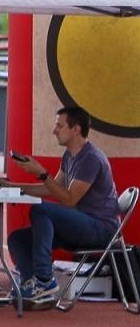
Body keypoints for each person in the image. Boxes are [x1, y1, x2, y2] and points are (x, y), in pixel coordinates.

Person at [7, 106, 123, 309]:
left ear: (75, 129)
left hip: (101, 229)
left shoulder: (91, 158)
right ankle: (31, 286)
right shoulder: (69, 155)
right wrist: (11, 187)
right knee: (17, 239)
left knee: (41, 210)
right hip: (80, 223)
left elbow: (69, 200)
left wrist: (42, 172)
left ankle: (44, 279)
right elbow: (52, 188)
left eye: (59, 126)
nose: (54, 130)